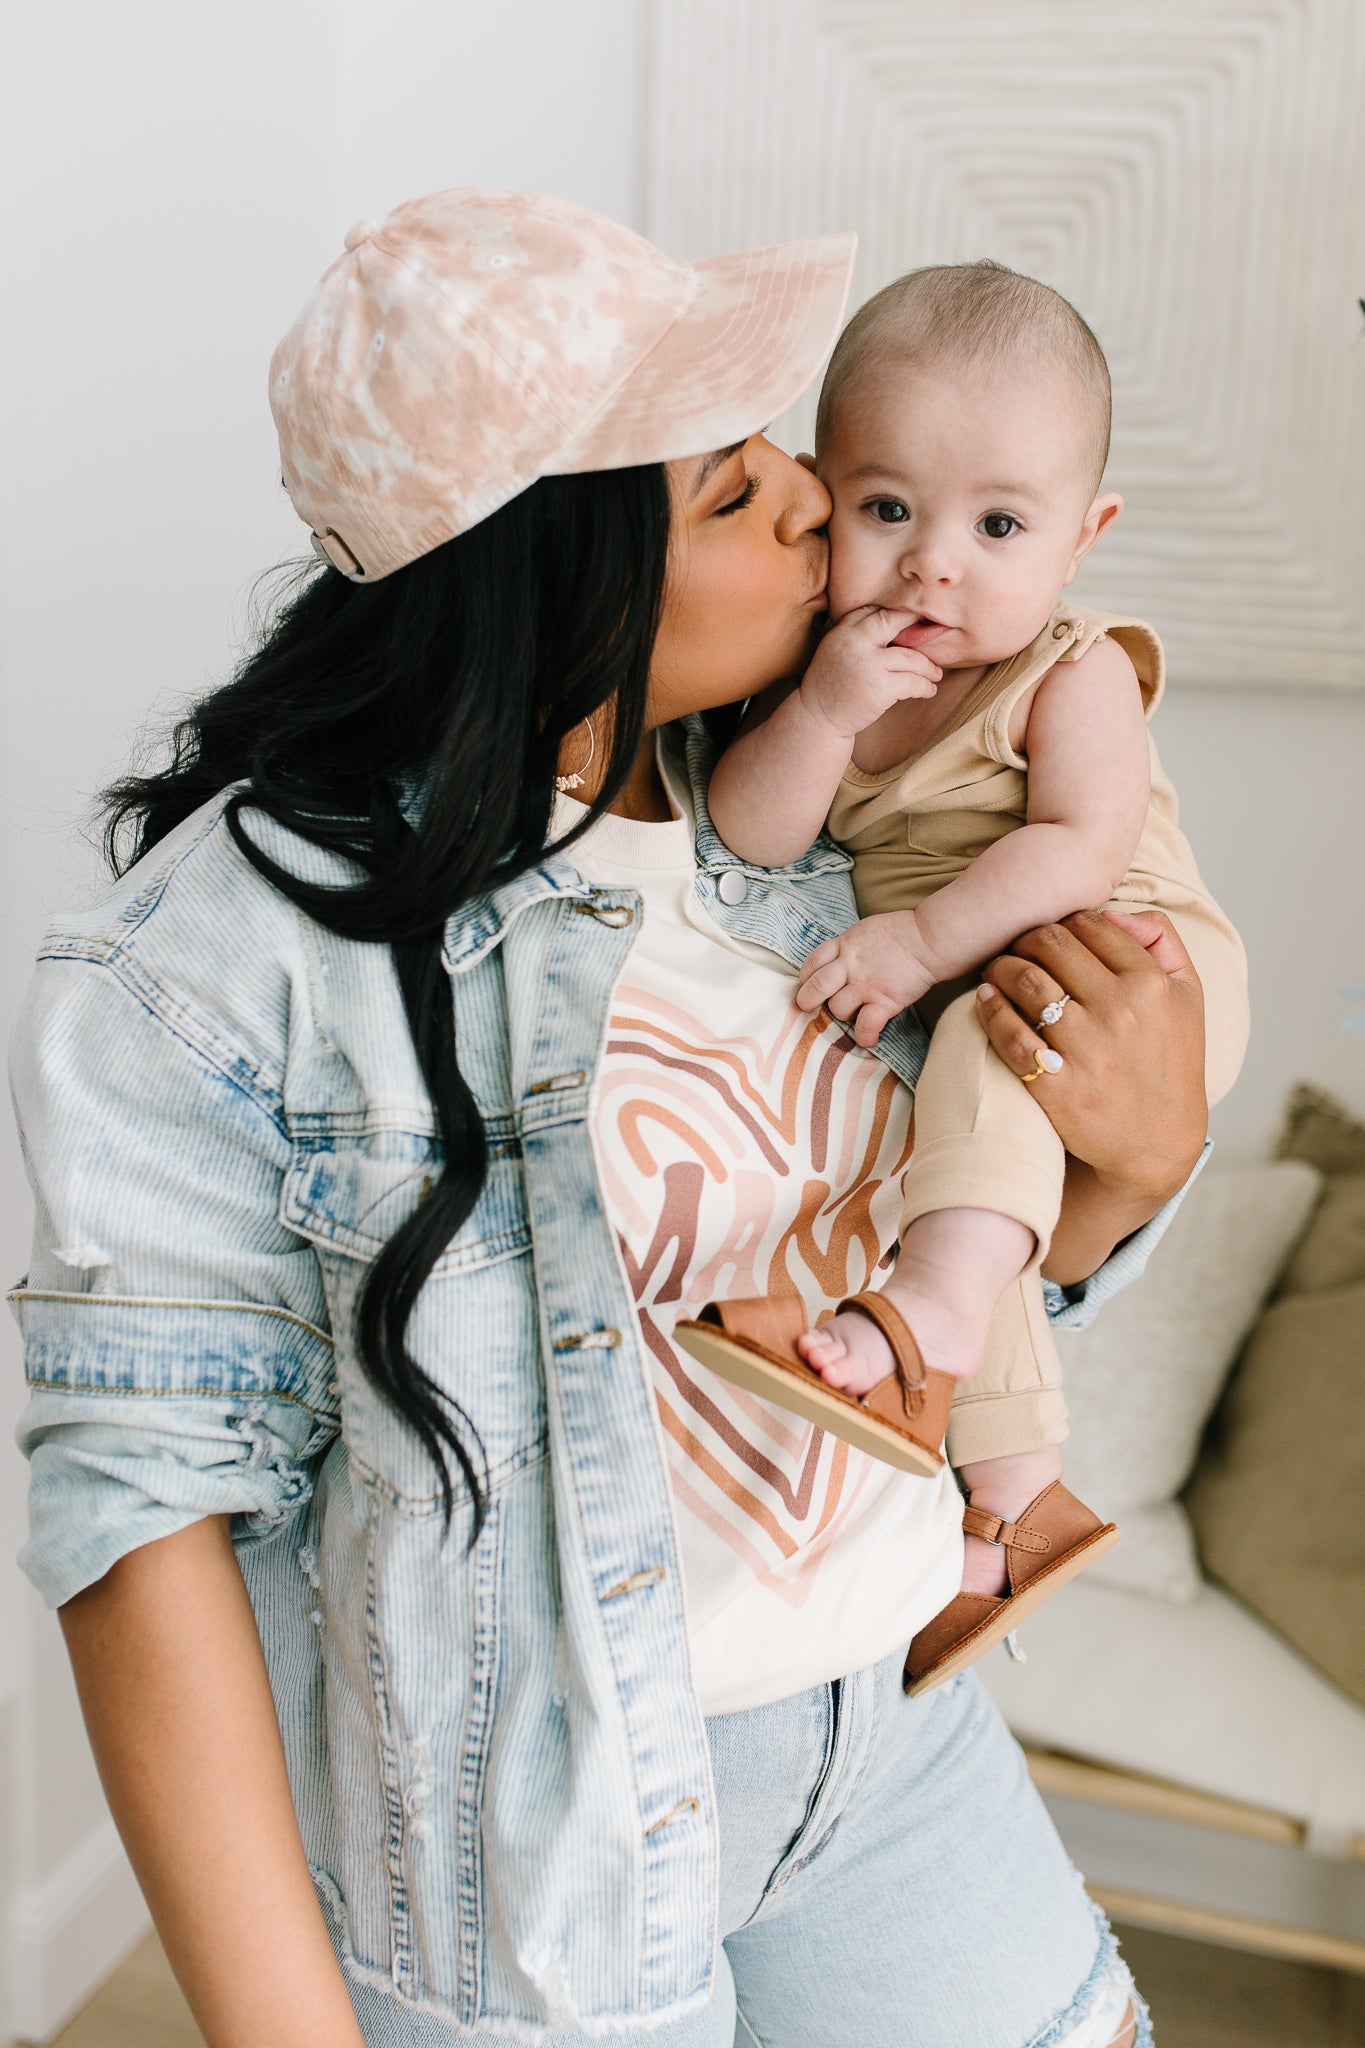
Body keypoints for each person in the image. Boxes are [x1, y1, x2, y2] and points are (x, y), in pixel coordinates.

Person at [8, 191, 1208, 2048]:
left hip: (890, 1734)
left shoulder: (814, 813)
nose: (818, 503)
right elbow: (147, 1533)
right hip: (532, 1851)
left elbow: (934, 1275)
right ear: (551, 579)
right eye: (733, 492)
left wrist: (1131, 1167)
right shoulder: (220, 957)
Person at [698, 261, 1248, 1693]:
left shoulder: (1070, 671)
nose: (932, 563)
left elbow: (1077, 846)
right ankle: (1010, 1503)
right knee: (935, 1154)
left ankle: (927, 1323)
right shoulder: (827, 670)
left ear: (1080, 538)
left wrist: (918, 944)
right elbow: (752, 834)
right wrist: (822, 717)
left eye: (997, 525)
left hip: (1124, 962)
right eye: (887, 509)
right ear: (822, 493)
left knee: (969, 1078)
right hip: (974, 993)